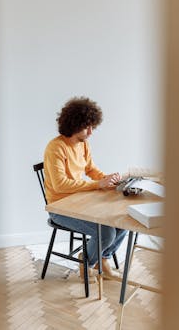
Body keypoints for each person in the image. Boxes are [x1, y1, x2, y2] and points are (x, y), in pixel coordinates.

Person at [43, 96, 125, 282]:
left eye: (92, 127)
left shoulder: (83, 144)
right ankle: (86, 261)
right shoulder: (55, 148)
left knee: (123, 220)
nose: (90, 132)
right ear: (74, 124)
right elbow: (60, 184)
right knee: (106, 232)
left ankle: (102, 259)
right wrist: (98, 185)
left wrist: (106, 179)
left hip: (80, 202)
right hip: (59, 208)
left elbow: (90, 169)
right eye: (87, 127)